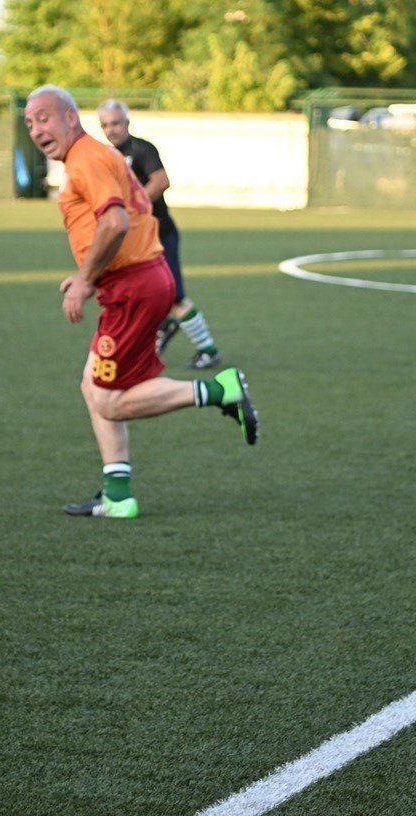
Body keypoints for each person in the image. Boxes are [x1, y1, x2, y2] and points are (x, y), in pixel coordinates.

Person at [24, 85, 259, 520]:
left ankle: (218, 390)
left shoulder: (87, 158)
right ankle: (118, 494)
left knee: (109, 400)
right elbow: (137, 217)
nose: (36, 129)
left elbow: (114, 221)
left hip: (134, 289)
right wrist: (91, 274)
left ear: (71, 118)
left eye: (44, 118)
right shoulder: (99, 155)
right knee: (92, 385)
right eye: (30, 122)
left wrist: (86, 280)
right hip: (140, 279)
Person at [95, 100, 222, 370]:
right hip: (133, 240)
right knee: (141, 293)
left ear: (127, 123)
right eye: (105, 125)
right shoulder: (103, 155)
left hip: (161, 234)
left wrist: (133, 208)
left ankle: (207, 349)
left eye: (116, 123)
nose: (111, 129)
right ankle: (158, 333)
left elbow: (161, 181)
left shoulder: (142, 149)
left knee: (175, 296)